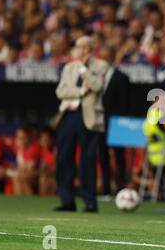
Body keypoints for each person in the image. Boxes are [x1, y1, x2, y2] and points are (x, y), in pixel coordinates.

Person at [53, 35, 108, 212]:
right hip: (68, 115)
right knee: (64, 158)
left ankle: (90, 202)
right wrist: (80, 91)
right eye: (79, 47)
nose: (82, 50)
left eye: (85, 47)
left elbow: (97, 87)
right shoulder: (69, 67)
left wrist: (84, 70)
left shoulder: (101, 66)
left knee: (88, 160)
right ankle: (67, 200)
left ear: (92, 49)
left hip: (89, 117)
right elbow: (61, 91)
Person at [99, 45, 131, 195]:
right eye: (102, 57)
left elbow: (124, 103)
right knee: (103, 156)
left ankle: (120, 187)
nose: (104, 60)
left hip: (116, 123)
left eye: (106, 57)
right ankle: (105, 188)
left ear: (112, 58)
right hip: (99, 123)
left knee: (119, 157)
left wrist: (120, 123)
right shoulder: (95, 76)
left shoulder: (121, 78)